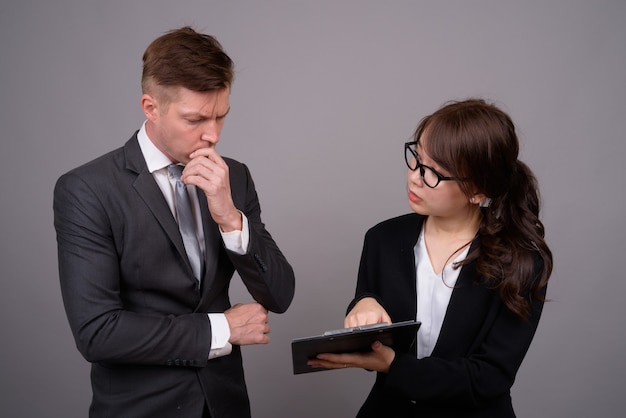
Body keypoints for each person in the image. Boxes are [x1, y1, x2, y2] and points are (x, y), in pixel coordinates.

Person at [53, 27, 295, 418]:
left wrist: (230, 217)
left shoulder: (234, 176)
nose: (212, 135)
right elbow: (97, 333)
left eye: (221, 116)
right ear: (151, 107)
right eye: (195, 119)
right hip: (141, 409)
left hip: (225, 406)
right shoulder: (87, 190)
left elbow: (280, 295)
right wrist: (221, 330)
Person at [308, 99, 553, 417]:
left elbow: (487, 379)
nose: (414, 177)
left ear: (477, 191)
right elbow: (374, 326)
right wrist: (363, 304)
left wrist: (394, 365)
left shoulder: (521, 262)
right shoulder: (382, 239)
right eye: (416, 159)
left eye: (433, 173)